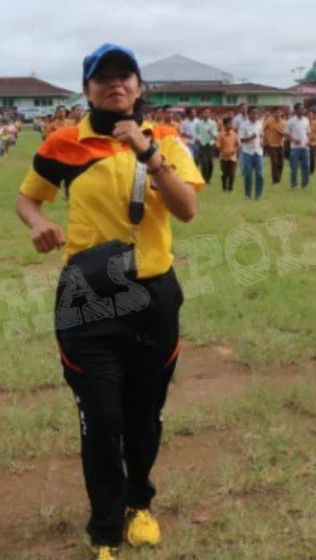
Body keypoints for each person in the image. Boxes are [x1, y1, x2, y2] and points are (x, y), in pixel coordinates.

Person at [15, 43, 202, 560]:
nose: (115, 85)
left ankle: (139, 502)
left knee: (144, 412)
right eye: (103, 79)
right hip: (87, 298)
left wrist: (147, 152)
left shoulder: (166, 140)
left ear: (140, 88)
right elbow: (27, 198)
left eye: (125, 77)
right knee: (100, 417)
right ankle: (104, 530)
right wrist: (39, 223)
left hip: (152, 294)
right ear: (88, 89)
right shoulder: (63, 144)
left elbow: (186, 209)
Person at [238, 106, 264, 200]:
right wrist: (251, 138)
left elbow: (261, 135)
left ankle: (258, 195)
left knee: (260, 174)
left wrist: (262, 141)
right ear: (248, 114)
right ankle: (247, 195)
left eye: (256, 113)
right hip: (247, 152)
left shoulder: (260, 124)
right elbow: (241, 139)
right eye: (253, 113)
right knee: (248, 174)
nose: (255, 115)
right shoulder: (243, 125)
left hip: (258, 152)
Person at [286, 103, 311, 189]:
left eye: (303, 109)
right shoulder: (290, 121)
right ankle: (293, 184)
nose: (302, 110)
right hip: (294, 148)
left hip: (305, 147)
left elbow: (308, 132)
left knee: (306, 166)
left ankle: (305, 183)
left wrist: (308, 141)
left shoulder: (306, 120)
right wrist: (294, 140)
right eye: (300, 109)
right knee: (294, 167)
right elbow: (287, 134)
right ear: (296, 110)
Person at [193, 109, 218, 183]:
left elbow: (215, 135)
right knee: (204, 164)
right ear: (202, 114)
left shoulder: (213, 123)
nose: (206, 114)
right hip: (202, 144)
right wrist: (198, 138)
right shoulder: (198, 123)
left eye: (208, 113)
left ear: (210, 114)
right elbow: (196, 133)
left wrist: (211, 133)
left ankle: (208, 178)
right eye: (205, 113)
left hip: (210, 145)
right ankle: (203, 178)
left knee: (211, 164)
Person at [263, 107, 286, 184]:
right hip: (272, 145)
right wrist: (265, 138)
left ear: (281, 113)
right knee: (274, 162)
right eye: (276, 112)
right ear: (273, 113)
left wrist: (281, 133)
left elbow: (286, 133)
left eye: (279, 112)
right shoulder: (269, 121)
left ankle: (278, 177)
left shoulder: (283, 122)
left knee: (281, 163)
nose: (277, 114)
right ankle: (275, 180)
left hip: (281, 144)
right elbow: (262, 129)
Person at [216, 117, 239, 191]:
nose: (230, 125)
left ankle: (230, 188)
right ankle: (224, 187)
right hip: (223, 157)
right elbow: (218, 146)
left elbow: (238, 144)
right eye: (229, 124)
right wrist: (222, 152)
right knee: (225, 173)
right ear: (224, 125)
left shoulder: (234, 134)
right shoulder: (220, 135)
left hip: (232, 157)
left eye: (231, 124)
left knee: (232, 173)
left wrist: (234, 150)